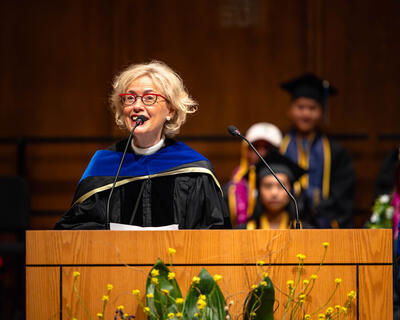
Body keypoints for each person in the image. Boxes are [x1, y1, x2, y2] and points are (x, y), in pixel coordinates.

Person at [55, 61, 231, 230]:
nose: (137, 106)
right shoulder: (104, 165)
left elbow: (213, 232)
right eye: (130, 98)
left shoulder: (194, 169)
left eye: (149, 98)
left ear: (170, 110)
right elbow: (76, 229)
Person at [279, 73, 355, 228]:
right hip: (286, 224)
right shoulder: (279, 148)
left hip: (326, 224)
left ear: (321, 112)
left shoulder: (337, 153)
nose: (306, 114)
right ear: (290, 110)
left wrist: (317, 209)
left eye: (312, 108)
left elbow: (343, 196)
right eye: (300, 107)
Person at [224, 122, 282, 227]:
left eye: (268, 148)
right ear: (246, 151)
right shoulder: (231, 190)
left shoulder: (291, 189)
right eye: (254, 147)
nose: (261, 153)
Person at [245, 150, 309, 229]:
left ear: (291, 191)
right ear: (258, 190)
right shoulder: (243, 232)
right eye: (268, 186)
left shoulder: (305, 232)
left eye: (281, 186)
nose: (274, 193)